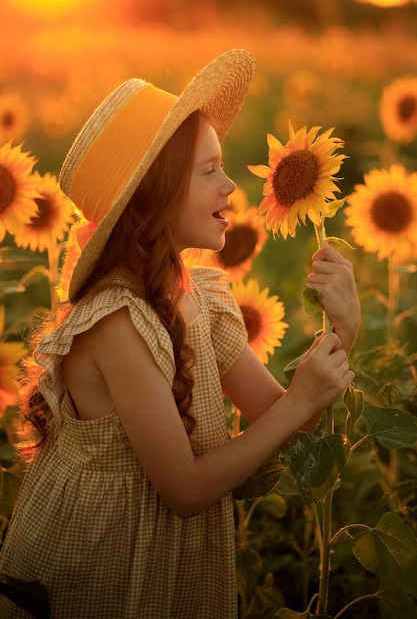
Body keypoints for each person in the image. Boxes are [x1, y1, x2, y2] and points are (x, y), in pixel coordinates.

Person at [0, 49, 360, 619]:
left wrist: (343, 328)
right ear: (156, 194)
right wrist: (299, 403)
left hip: (165, 555)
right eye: (209, 171)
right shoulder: (118, 319)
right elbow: (186, 489)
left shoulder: (198, 294)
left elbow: (282, 416)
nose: (231, 189)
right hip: (102, 562)